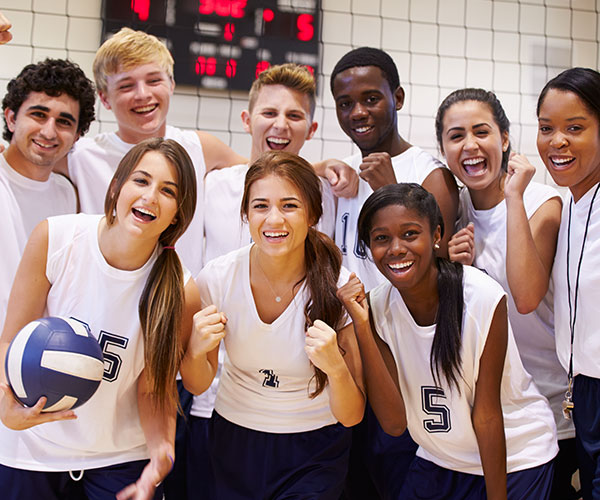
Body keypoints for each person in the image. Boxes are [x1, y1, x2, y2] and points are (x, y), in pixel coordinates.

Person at [0, 138, 201, 500]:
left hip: (119, 459)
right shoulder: (56, 238)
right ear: (115, 187)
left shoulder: (181, 289)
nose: (150, 196)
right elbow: (9, 341)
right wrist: (6, 406)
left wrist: (161, 455)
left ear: (178, 214)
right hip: (31, 449)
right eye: (140, 181)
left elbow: (153, 388)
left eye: (167, 190)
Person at [338, 182, 558, 499]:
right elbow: (394, 423)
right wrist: (361, 325)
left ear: (437, 235)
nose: (396, 248)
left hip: (515, 457)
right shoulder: (374, 308)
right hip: (440, 458)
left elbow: (487, 417)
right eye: (381, 239)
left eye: (410, 233)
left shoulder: (481, 296)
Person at [182, 151, 365, 499]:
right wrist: (195, 350)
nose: (274, 219)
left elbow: (352, 416)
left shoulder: (337, 286)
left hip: (315, 448)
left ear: (313, 214)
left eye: (290, 205)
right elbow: (196, 384)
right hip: (235, 438)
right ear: (245, 214)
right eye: (261, 206)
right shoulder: (218, 279)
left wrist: (336, 369)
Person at [326, 46, 459, 499]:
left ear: (397, 98)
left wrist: (390, 191)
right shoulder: (342, 178)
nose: (358, 112)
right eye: (346, 103)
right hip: (349, 359)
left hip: (405, 366)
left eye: (370, 98)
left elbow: (440, 275)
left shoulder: (430, 174)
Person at [435, 88, 576, 499]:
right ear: (443, 148)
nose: (471, 145)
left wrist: (512, 195)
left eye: (482, 132)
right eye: (456, 136)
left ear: (505, 138)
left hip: (545, 409)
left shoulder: (543, 201)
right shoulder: (453, 209)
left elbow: (526, 296)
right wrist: (451, 265)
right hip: (483, 411)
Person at [55, 27, 247, 277]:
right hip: (108, 293)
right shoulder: (81, 155)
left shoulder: (199, 147)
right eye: (126, 86)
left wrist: (316, 169)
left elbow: (268, 173)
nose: (143, 94)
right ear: (104, 99)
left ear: (171, 85)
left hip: (180, 298)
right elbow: (18, 164)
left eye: (154, 80)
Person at [536, 67, 600, 500]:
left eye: (574, 128)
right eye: (546, 128)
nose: (557, 141)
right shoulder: (568, 203)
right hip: (582, 388)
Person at [204, 62, 333, 263]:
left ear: (311, 129)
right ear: (247, 121)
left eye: (294, 115)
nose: (281, 125)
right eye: (269, 113)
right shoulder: (212, 186)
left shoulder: (328, 193)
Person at [0, 58, 96, 330]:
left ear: (77, 136)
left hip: (31, 358)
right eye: (38, 114)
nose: (49, 131)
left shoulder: (67, 194)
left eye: (64, 121)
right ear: (11, 118)